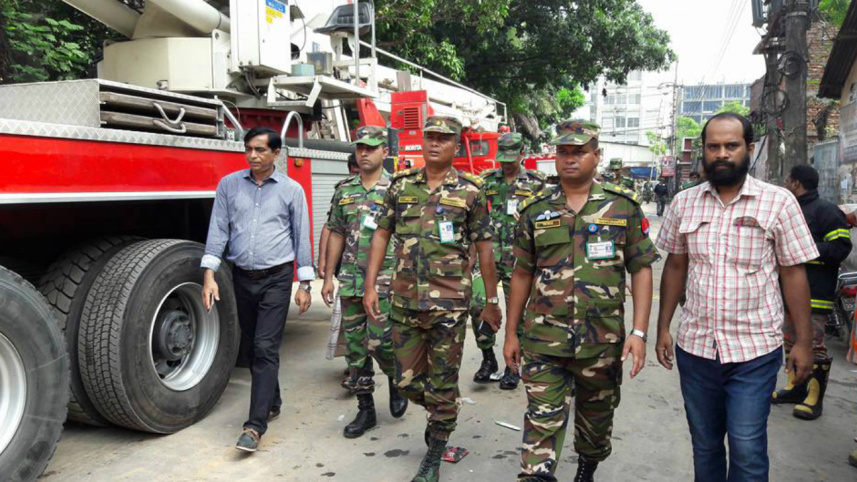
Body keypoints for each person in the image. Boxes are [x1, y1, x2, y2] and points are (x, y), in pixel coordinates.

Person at [655, 113, 818, 481]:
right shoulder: (684, 203)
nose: (722, 154)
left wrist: (804, 342)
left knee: (746, 446)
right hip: (696, 349)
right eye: (714, 147)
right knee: (706, 444)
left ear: (749, 148)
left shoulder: (778, 202)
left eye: (731, 145)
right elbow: (676, 267)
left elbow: (794, 272)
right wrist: (663, 327)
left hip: (754, 350)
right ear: (704, 151)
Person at [504, 120, 658, 482]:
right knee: (542, 422)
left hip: (601, 343)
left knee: (595, 427)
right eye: (563, 152)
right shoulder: (535, 210)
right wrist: (511, 333)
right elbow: (522, 274)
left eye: (579, 152)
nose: (570, 159)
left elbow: (642, 269)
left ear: (596, 155)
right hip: (544, 341)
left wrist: (639, 331)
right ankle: (538, 474)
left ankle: (587, 468)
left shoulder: (623, 208)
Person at [363, 116, 502, 482]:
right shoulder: (401, 186)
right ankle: (444, 411)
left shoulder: (471, 190)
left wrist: (491, 300)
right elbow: (380, 235)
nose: (435, 144)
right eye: (430, 137)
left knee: (442, 382)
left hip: (450, 307)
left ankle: (435, 451)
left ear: (456, 145)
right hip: (405, 301)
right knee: (406, 380)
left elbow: (485, 249)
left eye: (443, 138)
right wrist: (369, 285)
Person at [200, 126, 314, 453]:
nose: (253, 155)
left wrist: (305, 284)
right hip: (241, 277)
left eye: (261, 150)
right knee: (250, 347)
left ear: (276, 153)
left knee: (265, 346)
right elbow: (218, 231)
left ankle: (254, 426)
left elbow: (300, 236)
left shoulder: (291, 190)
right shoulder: (229, 186)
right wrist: (209, 273)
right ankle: (273, 400)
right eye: (249, 148)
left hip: (277, 278)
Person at [321, 126, 408, 438]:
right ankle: (365, 408)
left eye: (371, 148)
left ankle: (397, 380)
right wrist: (329, 277)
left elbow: (409, 237)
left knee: (381, 341)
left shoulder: (397, 189)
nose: (364, 153)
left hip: (386, 282)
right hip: (350, 281)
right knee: (355, 349)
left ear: (384, 151)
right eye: (360, 148)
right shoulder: (344, 189)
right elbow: (336, 232)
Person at [773, 165, 852, 420]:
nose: (786, 185)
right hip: (787, 294)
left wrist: (801, 248)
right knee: (789, 342)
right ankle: (795, 388)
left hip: (815, 294)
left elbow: (840, 248)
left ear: (796, 183)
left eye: (788, 181)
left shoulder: (825, 211)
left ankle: (814, 397)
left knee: (814, 345)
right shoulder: (790, 210)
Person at [475, 132, 546, 389]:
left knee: (518, 315)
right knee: (478, 306)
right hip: (489, 259)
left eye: (511, 158)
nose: (506, 163)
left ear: (522, 154)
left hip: (521, 260)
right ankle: (487, 359)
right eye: (502, 158)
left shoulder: (538, 183)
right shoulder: (486, 181)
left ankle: (512, 366)